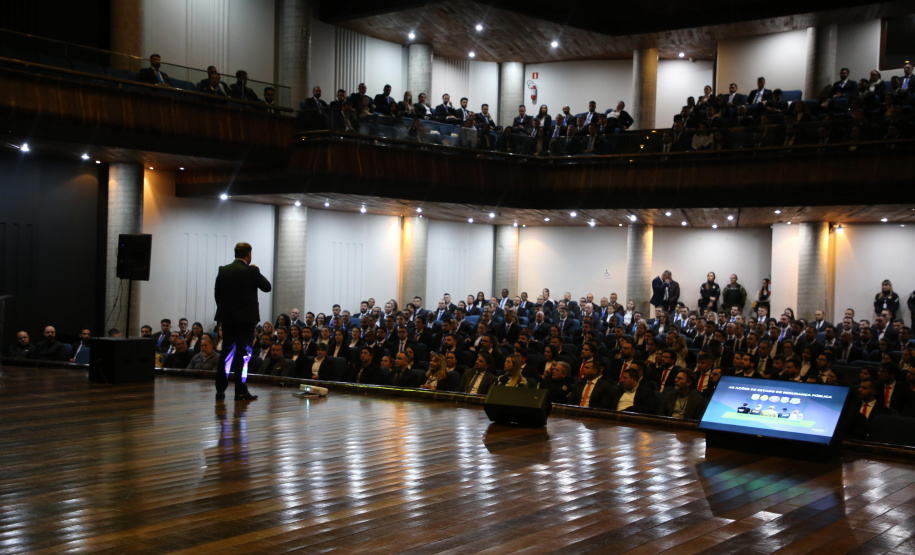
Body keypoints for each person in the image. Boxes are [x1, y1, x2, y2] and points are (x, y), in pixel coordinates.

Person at [214, 242, 272, 401]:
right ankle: (240, 391)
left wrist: (225, 313)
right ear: (249, 254)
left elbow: (217, 295)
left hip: (227, 319)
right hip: (246, 321)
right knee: (244, 355)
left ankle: (220, 390)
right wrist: (257, 271)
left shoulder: (223, 270)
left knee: (226, 353)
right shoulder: (251, 271)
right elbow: (267, 287)